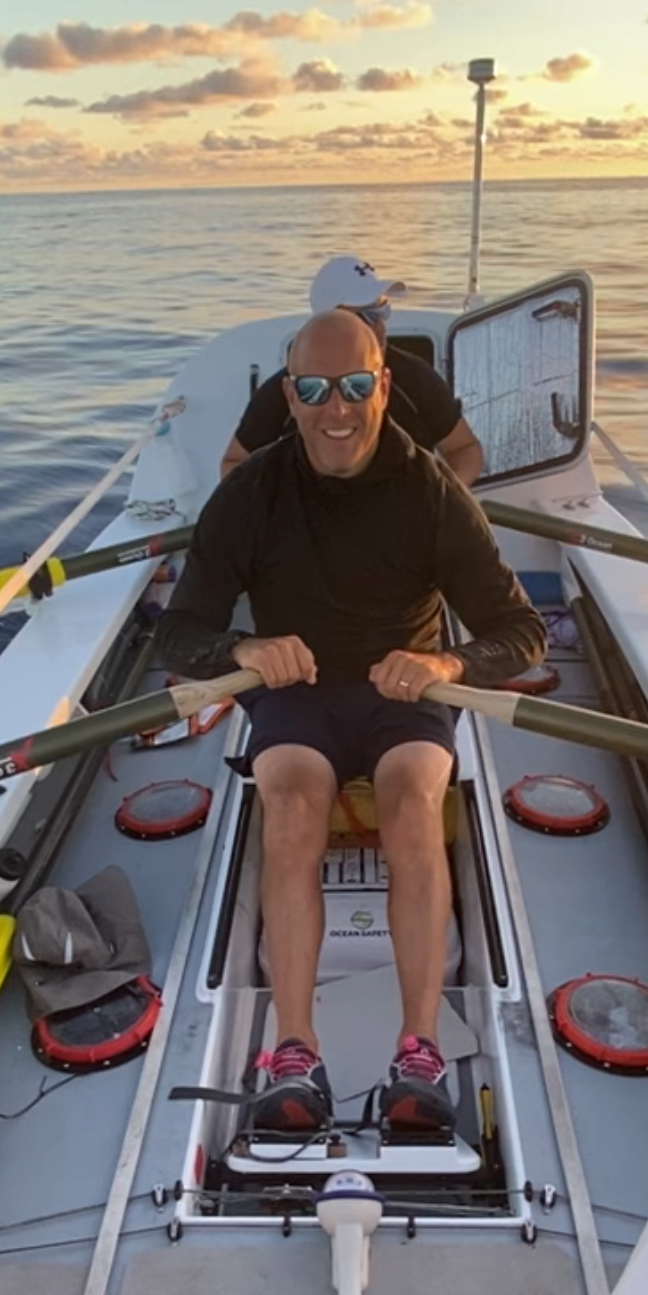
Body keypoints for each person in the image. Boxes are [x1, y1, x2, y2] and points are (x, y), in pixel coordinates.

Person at [157, 310, 545, 1135]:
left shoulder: (432, 491)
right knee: (291, 810)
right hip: (295, 698)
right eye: (316, 390)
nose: (339, 409)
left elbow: (521, 634)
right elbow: (179, 635)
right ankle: (293, 1051)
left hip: (403, 696)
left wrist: (444, 664)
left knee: (412, 808)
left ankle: (420, 1051)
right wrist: (245, 646)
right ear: (288, 399)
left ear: (385, 387)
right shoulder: (248, 493)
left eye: (358, 387)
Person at [219, 254, 484, 487]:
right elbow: (234, 462)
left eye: (381, 311)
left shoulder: (414, 378)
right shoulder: (293, 385)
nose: (378, 326)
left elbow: (464, 448)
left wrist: (440, 502)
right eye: (365, 316)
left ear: (385, 386)